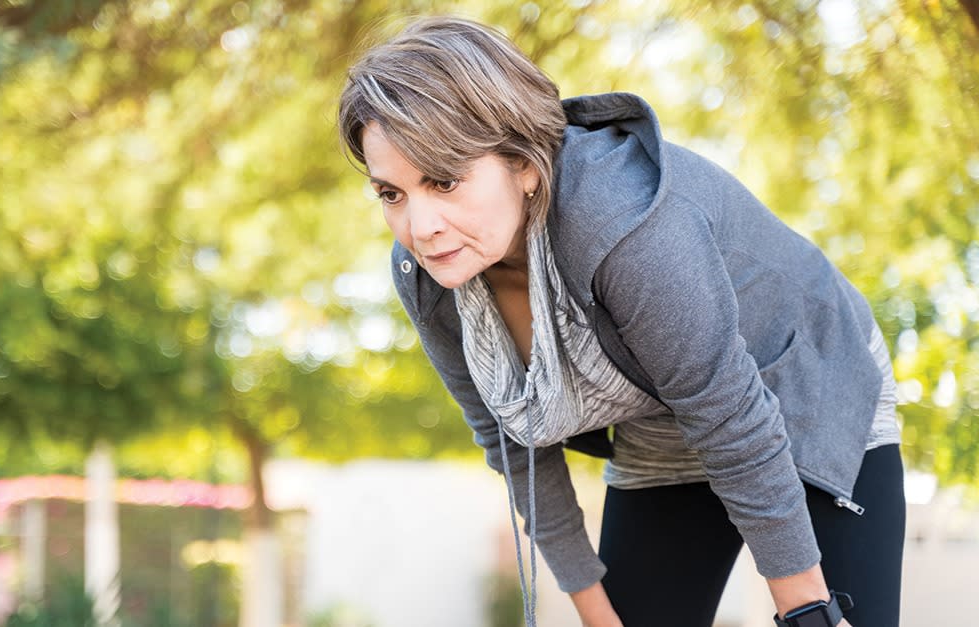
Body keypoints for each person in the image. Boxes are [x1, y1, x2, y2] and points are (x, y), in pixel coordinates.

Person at [336, 16, 905, 627]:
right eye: (392, 194)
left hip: (809, 385)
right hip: (663, 418)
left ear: (525, 164)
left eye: (444, 181)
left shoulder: (624, 224)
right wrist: (594, 611)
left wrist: (808, 615)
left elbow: (729, 418)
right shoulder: (427, 276)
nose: (420, 228)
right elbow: (511, 446)